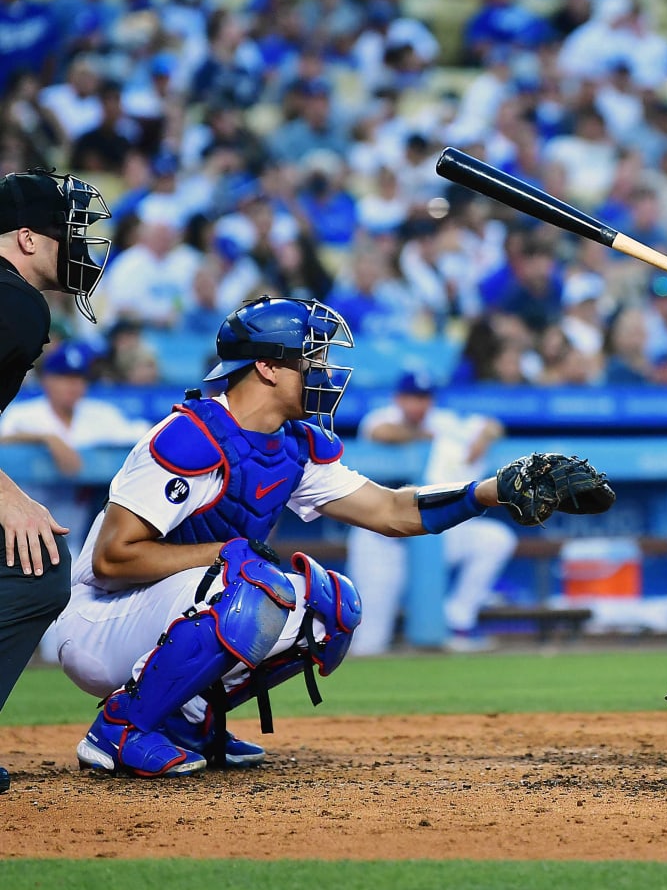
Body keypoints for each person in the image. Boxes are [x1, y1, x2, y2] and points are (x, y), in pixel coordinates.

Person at [54, 295, 613, 777]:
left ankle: (189, 724)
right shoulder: (189, 437)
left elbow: (393, 511)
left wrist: (490, 491)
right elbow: (112, 559)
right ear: (268, 368)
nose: (323, 372)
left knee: (331, 606)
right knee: (249, 582)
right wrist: (226, 555)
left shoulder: (292, 445)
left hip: (169, 606)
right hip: (98, 621)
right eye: (310, 359)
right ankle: (120, 728)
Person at [0, 169, 111, 796]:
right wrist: (8, 494)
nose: (79, 249)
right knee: (35, 565)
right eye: (65, 235)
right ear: (24, 239)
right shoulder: (14, 300)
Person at [345, 370, 516, 654]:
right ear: (399, 399)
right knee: (369, 643)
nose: (418, 404)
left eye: (424, 397)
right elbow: (381, 433)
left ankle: (457, 617)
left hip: (431, 536)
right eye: (412, 397)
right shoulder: (381, 418)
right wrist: (429, 437)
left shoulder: (445, 421)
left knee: (495, 539)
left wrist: (484, 436)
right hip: (382, 542)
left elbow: (491, 425)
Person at [0, 340, 149, 659]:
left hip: (73, 538)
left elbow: (143, 435)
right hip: (16, 535)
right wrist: (43, 439)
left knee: (61, 642)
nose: (73, 386)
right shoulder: (25, 414)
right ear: (48, 380)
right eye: (65, 377)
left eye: (79, 378)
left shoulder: (98, 416)